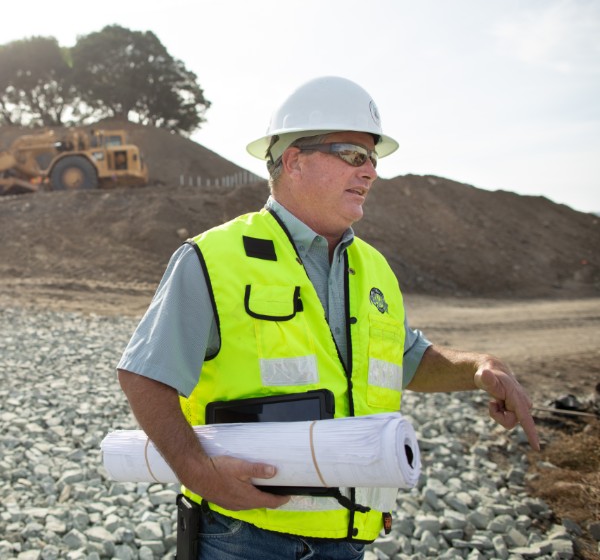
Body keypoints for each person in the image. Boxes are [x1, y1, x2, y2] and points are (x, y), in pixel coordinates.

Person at [117, 76, 539, 560]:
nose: (371, 172)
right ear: (295, 160)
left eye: (373, 159)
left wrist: (476, 368)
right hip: (246, 536)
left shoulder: (374, 267)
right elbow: (144, 374)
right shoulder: (214, 258)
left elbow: (404, 358)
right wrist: (197, 470)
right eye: (354, 156)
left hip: (351, 537)